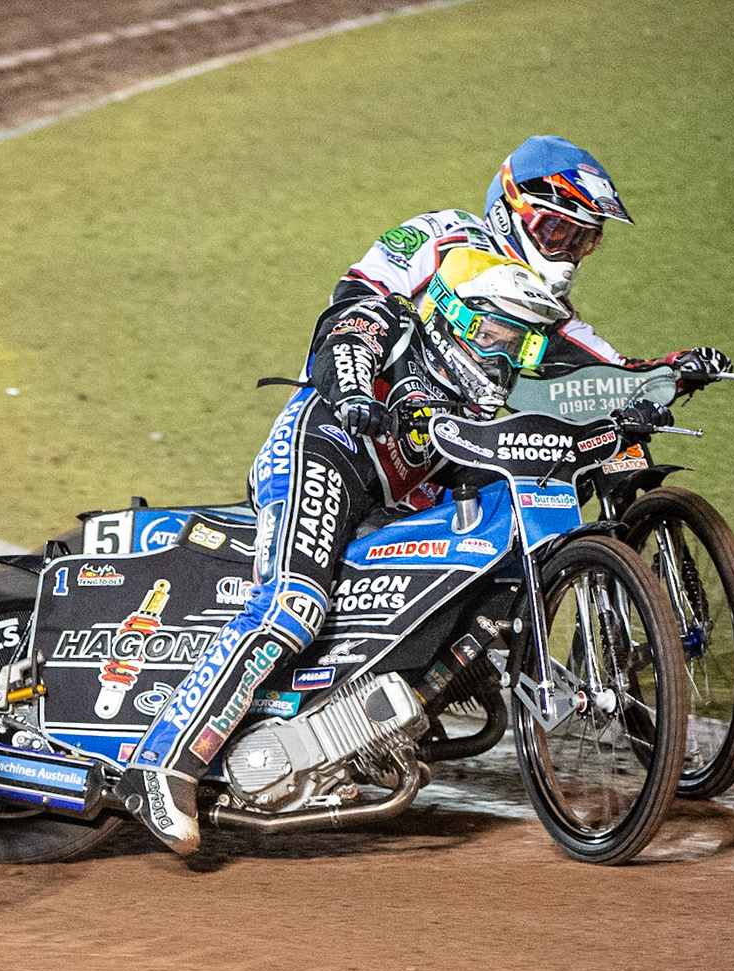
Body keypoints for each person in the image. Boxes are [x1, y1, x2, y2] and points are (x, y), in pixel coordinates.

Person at [113, 248, 569, 853]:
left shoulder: (471, 406)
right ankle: (163, 765)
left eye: (522, 347)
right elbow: (344, 340)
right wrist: (355, 393)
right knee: (292, 607)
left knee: (482, 566)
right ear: (455, 316)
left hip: (381, 501)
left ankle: (352, 734)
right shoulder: (394, 322)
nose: (505, 358)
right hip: (320, 454)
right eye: (497, 337)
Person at [338, 134, 731, 386]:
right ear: (511, 211)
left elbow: (610, 375)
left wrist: (673, 370)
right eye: (557, 232)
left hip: (443, 458)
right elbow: (354, 295)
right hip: (353, 420)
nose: (566, 255)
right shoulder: (444, 234)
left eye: (580, 241)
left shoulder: (547, 308)